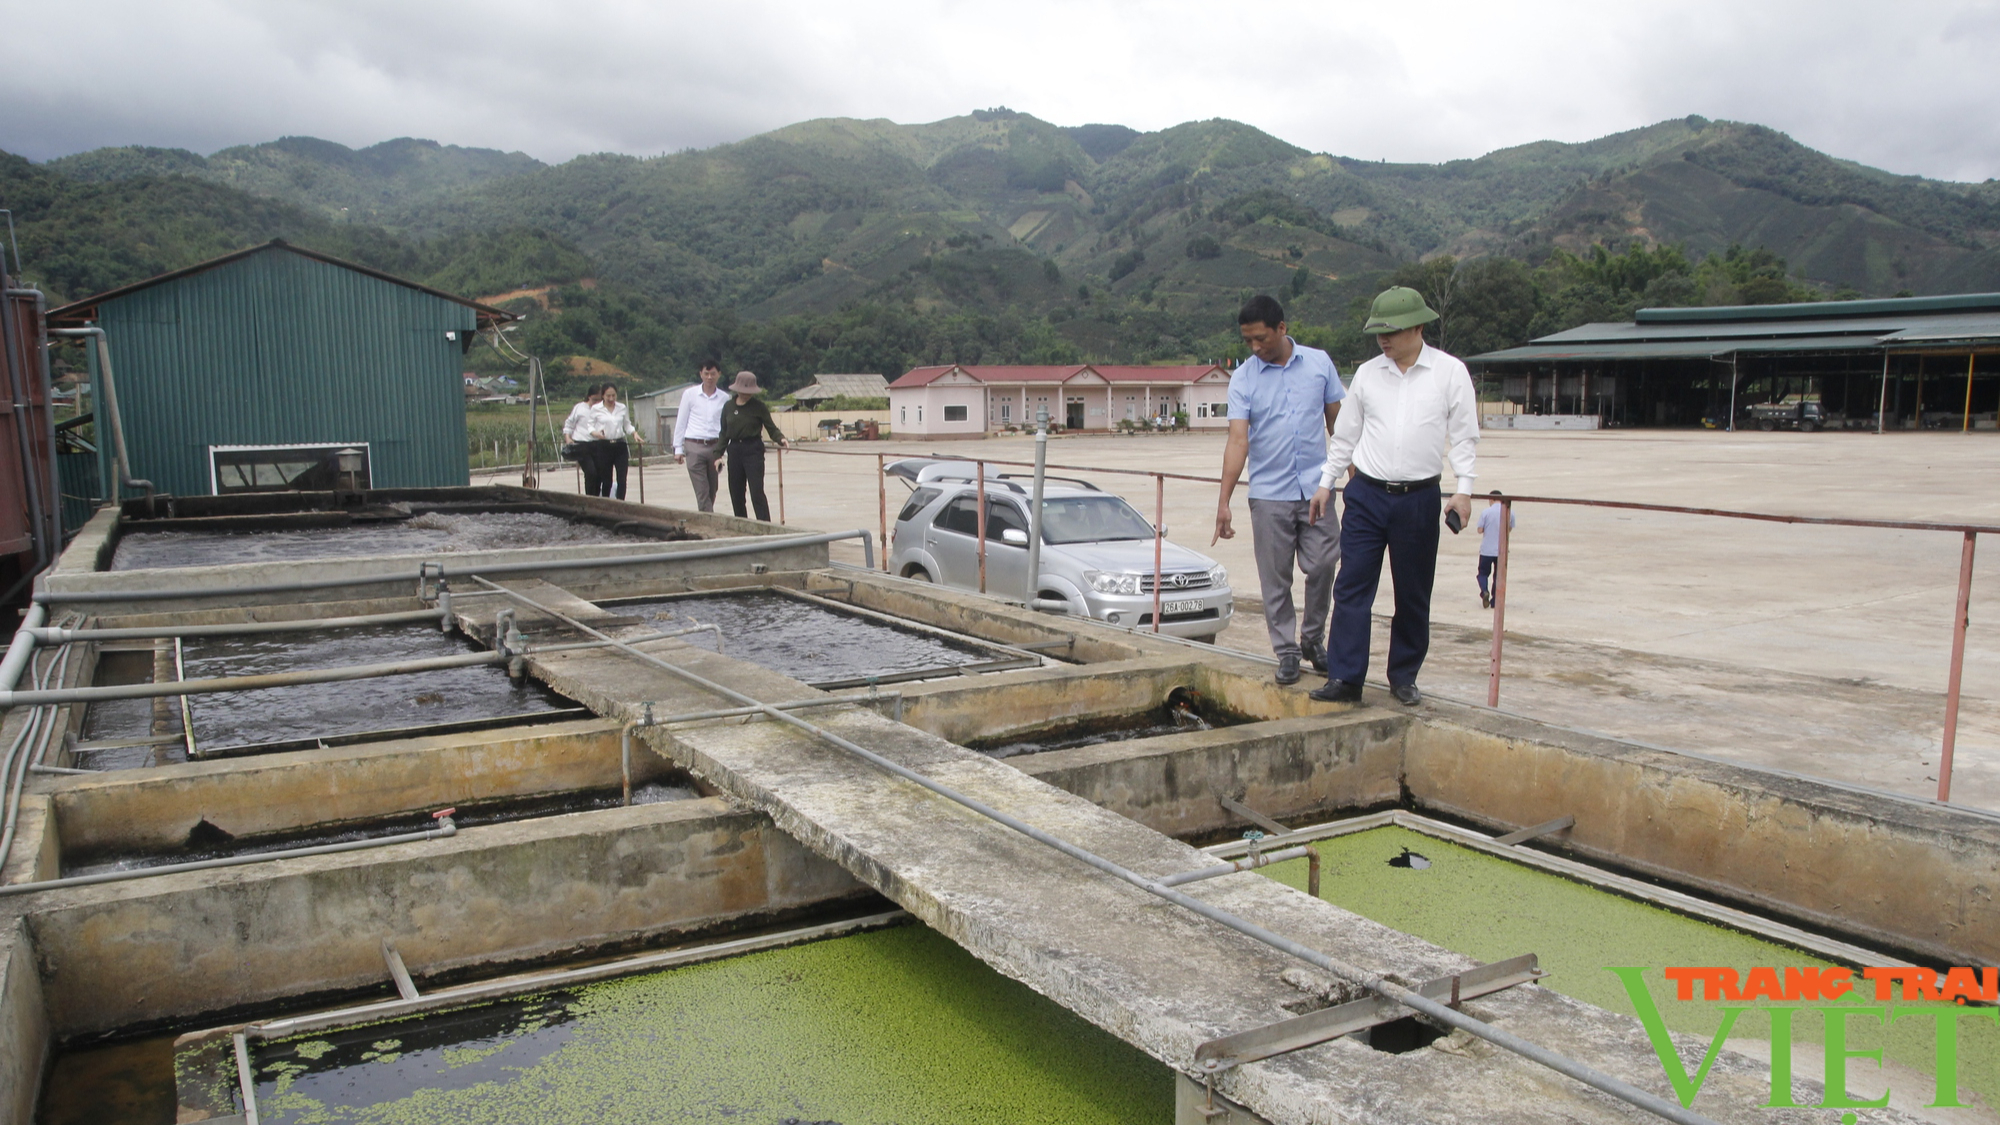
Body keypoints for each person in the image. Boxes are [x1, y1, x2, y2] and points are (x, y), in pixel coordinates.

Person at [1306, 286, 1479, 706]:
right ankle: (1346, 678)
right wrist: (1326, 483)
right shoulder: (1367, 373)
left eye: (1393, 332)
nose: (1384, 341)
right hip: (1366, 493)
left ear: (1418, 327)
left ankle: (1403, 676)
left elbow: (1464, 437)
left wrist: (1464, 490)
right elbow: (1345, 435)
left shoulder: (1449, 372)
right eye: (1378, 333)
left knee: (1413, 591)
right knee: (1351, 586)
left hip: (1419, 497)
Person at [1213, 295, 1344, 686]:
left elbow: (1340, 426)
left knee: (1323, 564)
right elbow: (1238, 441)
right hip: (1269, 494)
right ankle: (1287, 651)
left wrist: (1355, 477)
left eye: (1261, 339)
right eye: (1248, 341)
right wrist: (1224, 501)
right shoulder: (1244, 378)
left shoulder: (1319, 363)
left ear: (1282, 329)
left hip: (1318, 490)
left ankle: (1312, 637)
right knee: (1276, 578)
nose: (1255, 348)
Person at [718, 371, 788, 520]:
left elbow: (771, 427)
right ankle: (742, 523)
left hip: (753, 449)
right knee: (736, 492)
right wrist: (717, 454)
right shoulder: (728, 407)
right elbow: (724, 433)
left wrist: (780, 438)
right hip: (735, 449)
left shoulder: (759, 407)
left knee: (756, 491)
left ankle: (764, 524)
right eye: (743, 392)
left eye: (749, 392)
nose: (746, 395)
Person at [673, 361, 728, 512]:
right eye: (706, 374)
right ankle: (709, 521)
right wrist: (678, 448)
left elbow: (726, 426)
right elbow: (681, 421)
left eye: (713, 374)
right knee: (702, 490)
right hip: (694, 445)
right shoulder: (690, 395)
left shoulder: (724, 398)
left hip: (715, 447)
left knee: (712, 488)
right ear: (701, 374)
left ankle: (705, 516)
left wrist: (725, 451)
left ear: (719, 375)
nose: (709, 377)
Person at [589, 383, 640, 499]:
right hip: (604, 446)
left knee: (622, 479)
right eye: (608, 396)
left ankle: (621, 503)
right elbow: (590, 426)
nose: (611, 399)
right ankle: (607, 503)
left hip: (619, 445)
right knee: (607, 480)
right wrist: (596, 433)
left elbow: (627, 425)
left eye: (613, 395)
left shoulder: (621, 407)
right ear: (603, 395)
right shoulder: (596, 409)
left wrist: (634, 433)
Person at [563, 385, 604, 498]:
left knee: (600, 473)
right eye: (594, 400)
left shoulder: (602, 410)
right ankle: (590, 497)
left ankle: (596, 497)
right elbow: (569, 423)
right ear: (589, 397)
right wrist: (568, 437)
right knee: (590, 472)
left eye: (599, 400)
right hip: (582, 444)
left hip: (597, 444)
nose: (596, 402)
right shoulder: (580, 408)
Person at [1476, 490, 1514, 609]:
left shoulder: (1486, 512)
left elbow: (1480, 530)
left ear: (1491, 499)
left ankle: (1484, 590)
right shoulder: (1509, 512)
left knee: (1483, 573)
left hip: (1486, 549)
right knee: (1498, 576)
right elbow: (1509, 528)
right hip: (1501, 550)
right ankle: (1495, 601)